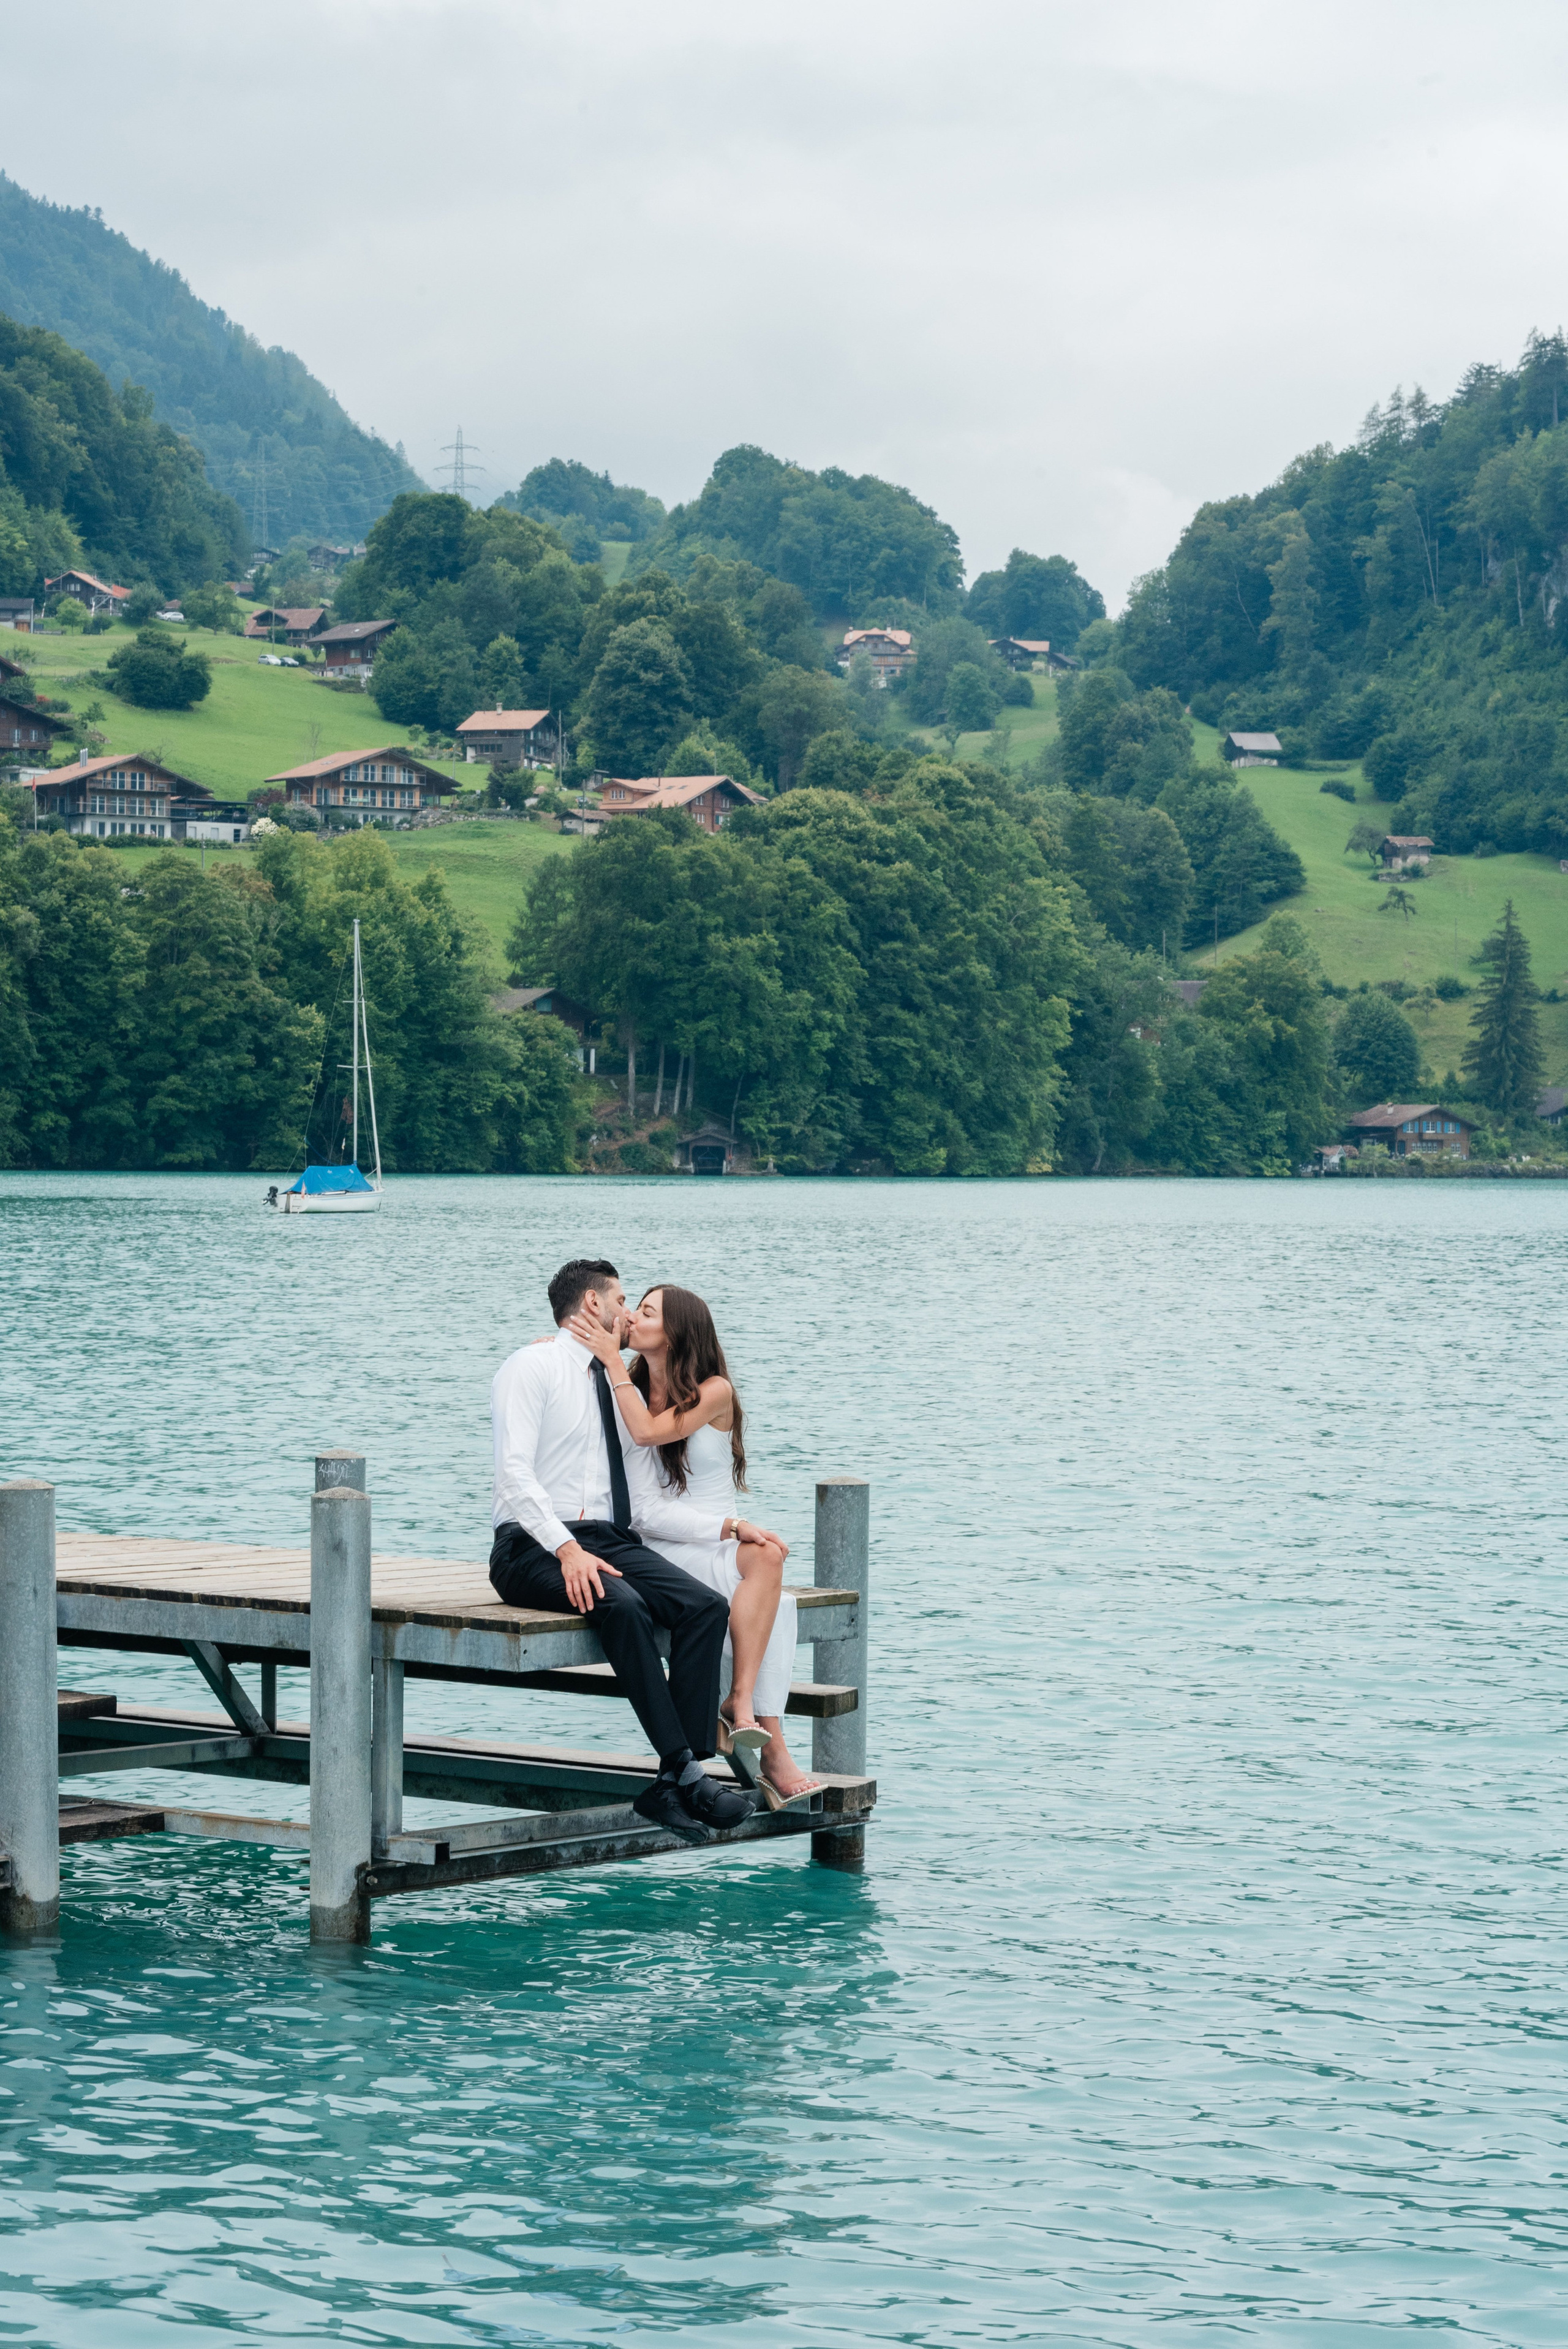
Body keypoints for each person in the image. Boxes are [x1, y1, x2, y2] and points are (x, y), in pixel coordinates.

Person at [489, 1257, 786, 1846]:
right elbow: (513, 1475)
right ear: (595, 1306)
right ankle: (687, 1771)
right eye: (624, 1299)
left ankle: (671, 1783)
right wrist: (567, 1550)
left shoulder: (621, 1388)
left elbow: (644, 1497)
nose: (629, 1312)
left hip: (609, 1538)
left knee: (703, 1608)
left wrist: (728, 1526)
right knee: (622, 1605)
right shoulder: (533, 1365)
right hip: (532, 1544)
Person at [567, 1284, 823, 1810]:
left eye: (647, 1311)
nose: (632, 1316)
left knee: (771, 1559)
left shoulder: (715, 1391)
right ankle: (770, 1744)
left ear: (678, 1330)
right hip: (657, 1550)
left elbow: (651, 1431)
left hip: (711, 1542)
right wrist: (730, 1526)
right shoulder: (627, 1390)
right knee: (781, 1604)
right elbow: (641, 1502)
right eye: (633, 1307)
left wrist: (731, 1528)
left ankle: (741, 1701)